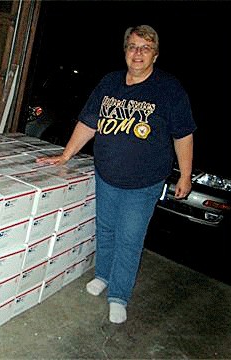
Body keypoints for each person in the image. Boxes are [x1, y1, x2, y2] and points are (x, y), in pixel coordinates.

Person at [37, 25, 196, 324]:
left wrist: (185, 175)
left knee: (130, 238)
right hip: (106, 175)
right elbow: (88, 122)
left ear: (155, 55)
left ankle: (119, 295)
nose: (138, 53)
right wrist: (66, 154)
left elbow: (183, 134)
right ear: (125, 51)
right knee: (106, 229)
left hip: (144, 182)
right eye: (133, 46)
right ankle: (103, 275)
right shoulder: (110, 82)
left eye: (145, 48)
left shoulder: (169, 89)